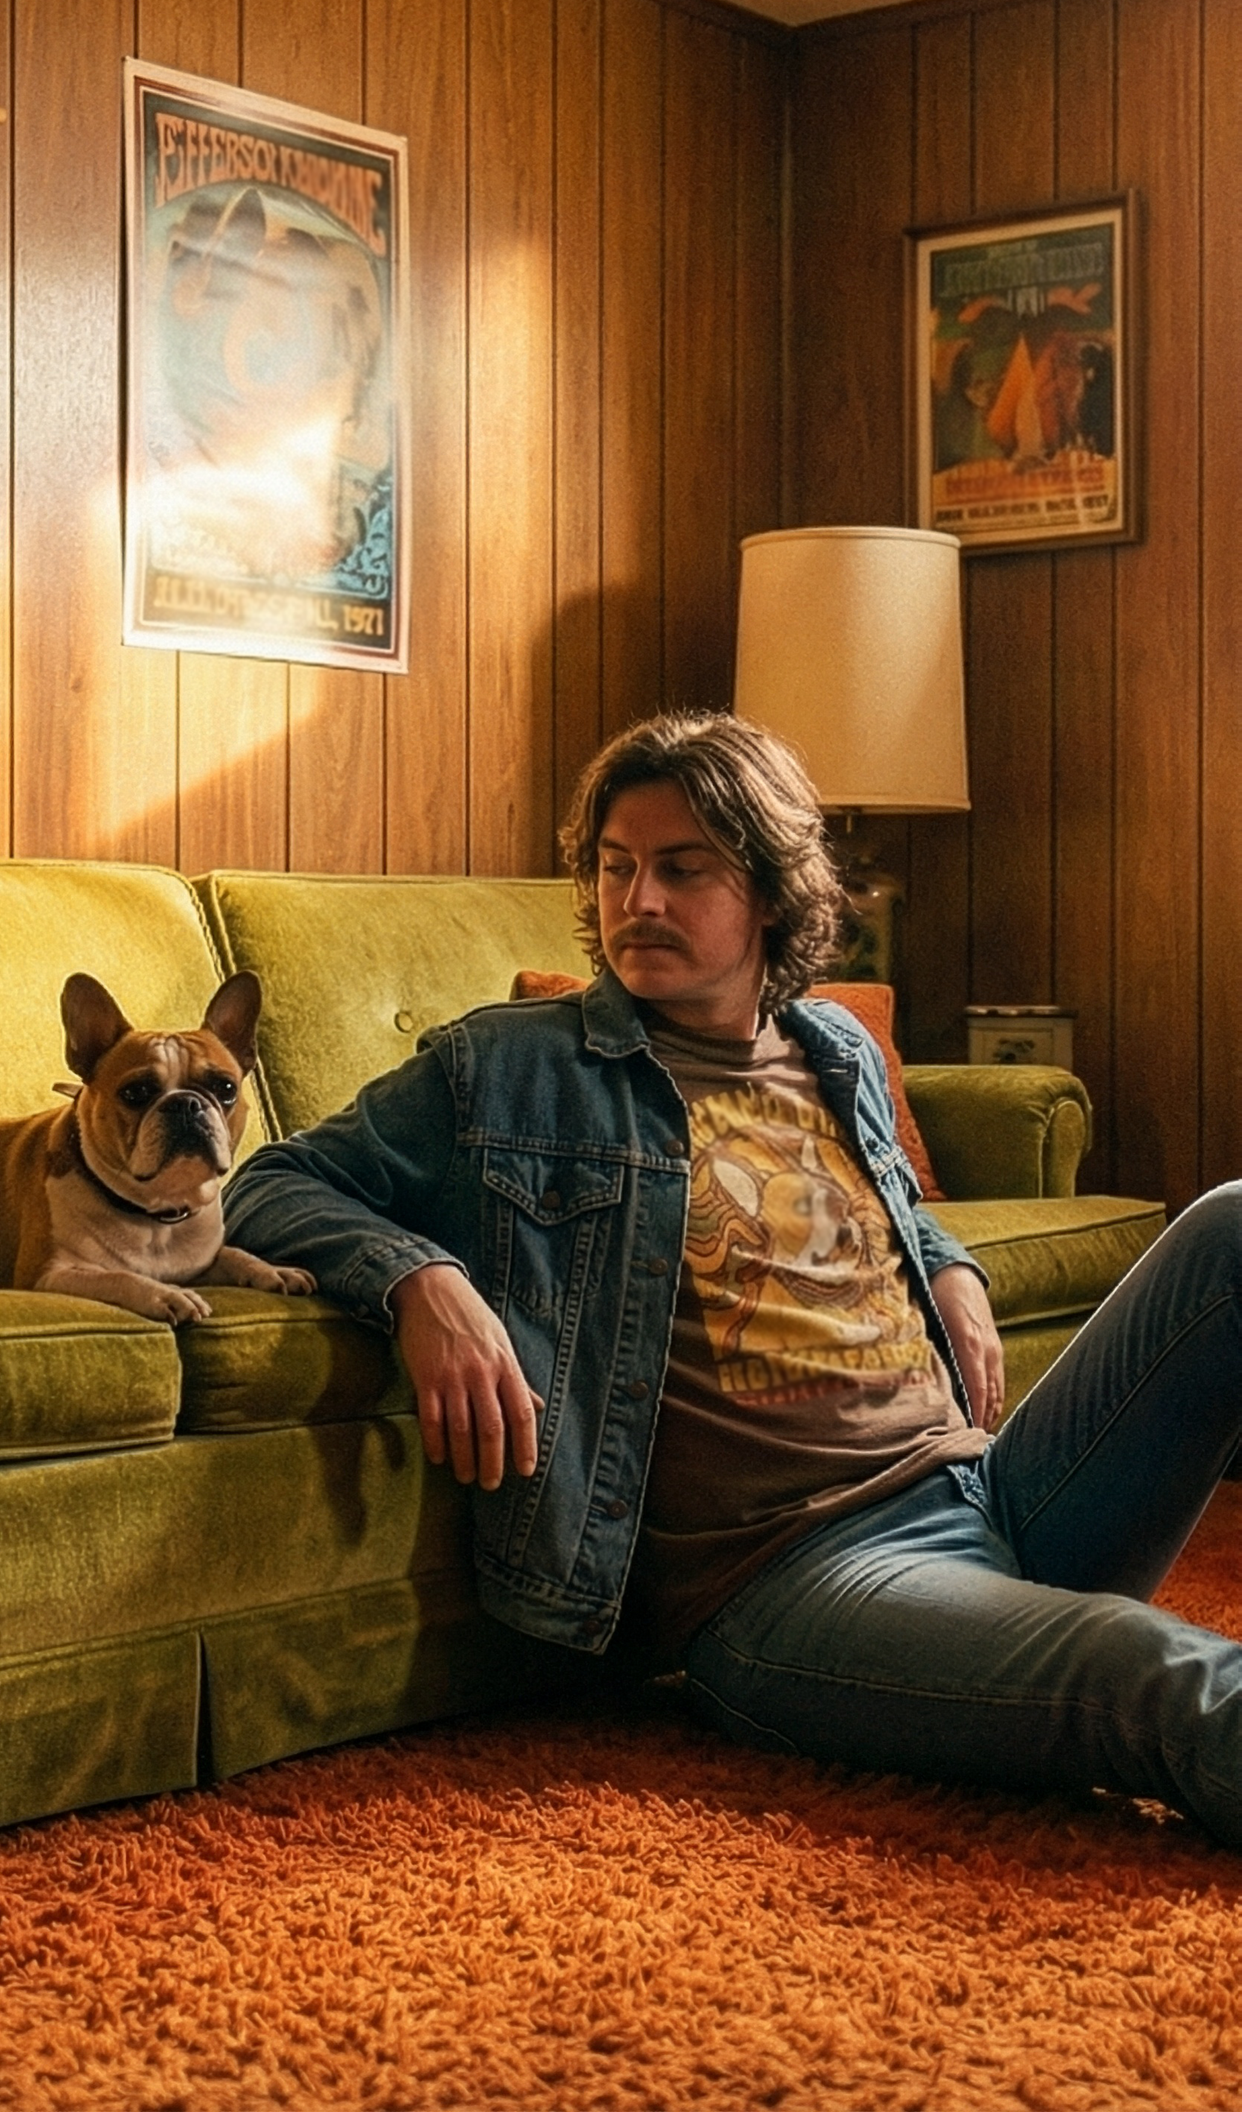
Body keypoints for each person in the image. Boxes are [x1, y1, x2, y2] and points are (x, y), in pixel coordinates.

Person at [224, 710, 1242, 1844]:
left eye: (680, 869)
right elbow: (270, 1181)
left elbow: (875, 1212)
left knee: (1231, 1227)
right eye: (616, 869)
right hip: (796, 1584)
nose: (637, 902)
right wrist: (420, 1279)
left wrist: (946, 1264)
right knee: (1155, 1673)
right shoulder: (512, 1067)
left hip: (992, 1489)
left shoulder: (830, 1048)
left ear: (767, 890)